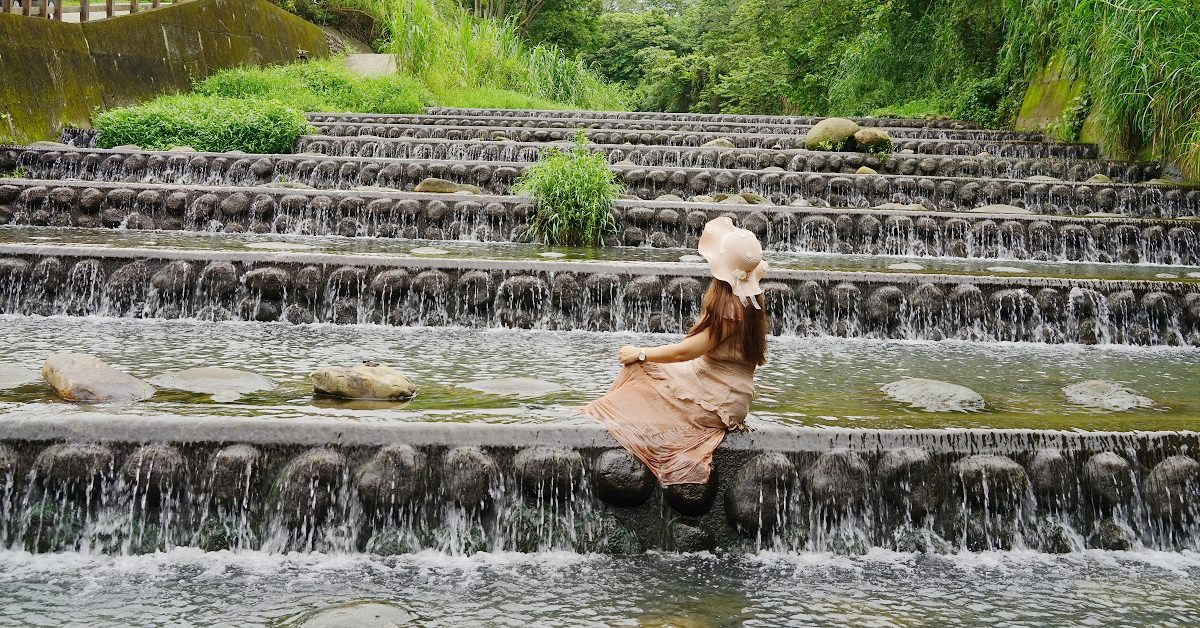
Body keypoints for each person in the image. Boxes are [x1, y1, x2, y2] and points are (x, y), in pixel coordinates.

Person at [582, 216, 769, 485]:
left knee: (641, 367)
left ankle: (621, 423)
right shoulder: (751, 295)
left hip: (718, 399)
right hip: (732, 392)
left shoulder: (729, 308)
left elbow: (686, 352)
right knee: (658, 370)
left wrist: (641, 352)